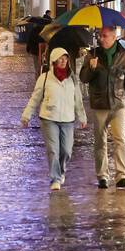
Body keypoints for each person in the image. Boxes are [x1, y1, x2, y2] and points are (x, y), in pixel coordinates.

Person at [21, 46, 87, 191]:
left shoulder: (72, 79)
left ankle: (61, 171)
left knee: (67, 151)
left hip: (68, 119)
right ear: (53, 61)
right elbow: (35, 98)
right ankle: (55, 178)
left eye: (65, 59)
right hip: (49, 118)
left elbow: (78, 100)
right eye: (60, 59)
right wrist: (26, 115)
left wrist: (82, 116)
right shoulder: (44, 78)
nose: (63, 62)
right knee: (53, 150)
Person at [80, 26, 125, 189]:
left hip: (118, 103)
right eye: (100, 36)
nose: (101, 38)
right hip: (99, 104)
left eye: (105, 36)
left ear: (113, 37)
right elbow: (83, 79)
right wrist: (91, 67)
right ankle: (102, 176)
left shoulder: (123, 55)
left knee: (120, 139)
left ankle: (122, 176)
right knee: (100, 141)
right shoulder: (92, 54)